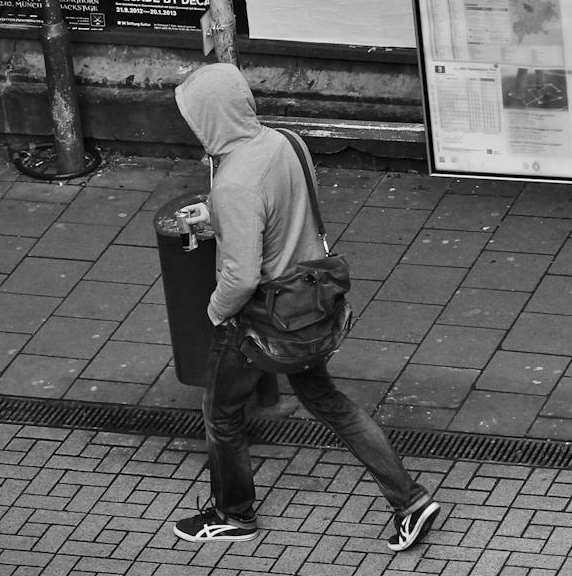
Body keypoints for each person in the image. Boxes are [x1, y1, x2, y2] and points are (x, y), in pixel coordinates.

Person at [171, 62, 442, 549]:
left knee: (222, 412)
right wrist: (218, 214)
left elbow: (241, 275)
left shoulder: (233, 182)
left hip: (261, 321)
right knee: (328, 403)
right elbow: (285, 206)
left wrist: (215, 312)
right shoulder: (284, 142)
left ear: (210, 118)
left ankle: (233, 515)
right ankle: (410, 500)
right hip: (311, 306)